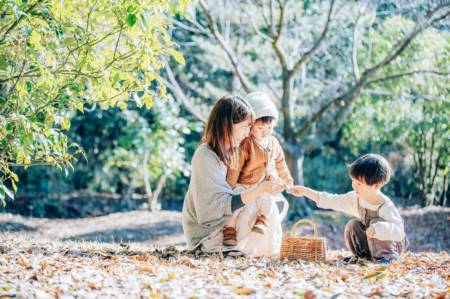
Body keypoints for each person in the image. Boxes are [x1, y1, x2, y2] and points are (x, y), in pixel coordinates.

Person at [181, 95, 285, 255]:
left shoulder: (235, 151)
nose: (248, 132)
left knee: (270, 203)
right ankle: (246, 251)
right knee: (257, 204)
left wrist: (271, 180)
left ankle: (261, 253)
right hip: (208, 233)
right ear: (227, 126)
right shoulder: (205, 156)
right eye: (245, 126)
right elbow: (209, 212)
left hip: (227, 224)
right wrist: (260, 190)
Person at [290, 154, 409, 263]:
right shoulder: (356, 198)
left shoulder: (386, 206)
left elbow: (399, 232)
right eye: (353, 181)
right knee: (353, 225)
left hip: (392, 246)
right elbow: (332, 200)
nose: (354, 186)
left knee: (375, 222)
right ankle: (363, 256)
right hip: (371, 244)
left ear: (377, 185)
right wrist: (305, 192)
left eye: (359, 184)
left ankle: (386, 258)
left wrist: (379, 228)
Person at [222, 91, 293, 247]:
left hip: (265, 183)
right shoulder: (246, 144)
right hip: (245, 183)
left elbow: (280, 161)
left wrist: (287, 179)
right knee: (237, 208)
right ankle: (230, 228)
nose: (266, 132)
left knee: (269, 199)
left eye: (270, 128)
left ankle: (262, 219)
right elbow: (236, 165)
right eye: (260, 128)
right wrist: (230, 185)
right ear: (250, 126)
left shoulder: (273, 142)